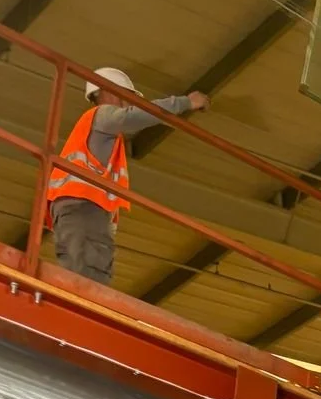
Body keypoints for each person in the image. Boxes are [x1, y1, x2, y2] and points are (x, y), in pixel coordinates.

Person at [46, 67, 209, 286]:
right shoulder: (102, 116)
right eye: (128, 98)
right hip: (84, 209)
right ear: (109, 92)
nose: (130, 104)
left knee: (79, 276)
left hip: (78, 212)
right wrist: (185, 102)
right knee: (89, 284)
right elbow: (138, 116)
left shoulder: (101, 133)